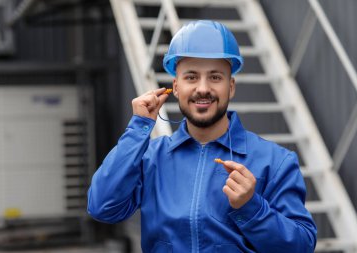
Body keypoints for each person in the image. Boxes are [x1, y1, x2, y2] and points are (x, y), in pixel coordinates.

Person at [87, 20, 317, 253]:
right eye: (191, 77)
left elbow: (302, 246)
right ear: (175, 87)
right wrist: (138, 128)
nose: (203, 88)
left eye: (215, 77)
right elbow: (102, 207)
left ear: (231, 87)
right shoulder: (150, 159)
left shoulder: (275, 161)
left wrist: (252, 208)